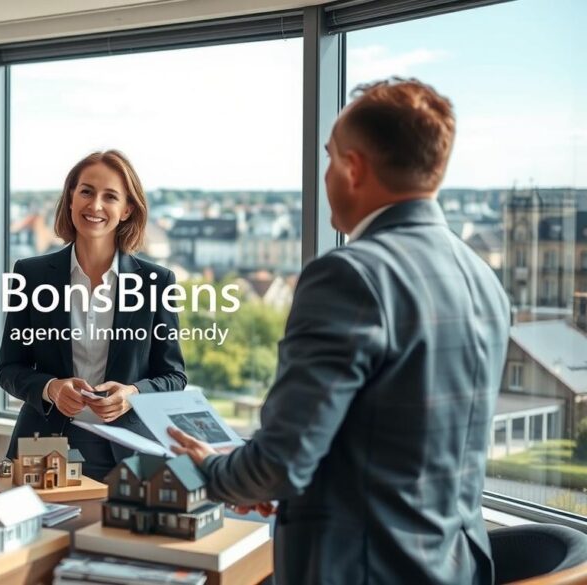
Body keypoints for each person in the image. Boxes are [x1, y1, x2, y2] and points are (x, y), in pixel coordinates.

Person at [169, 78, 510, 584]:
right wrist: (263, 470)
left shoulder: (351, 275)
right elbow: (389, 448)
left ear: (354, 168)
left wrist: (218, 471)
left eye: (330, 158)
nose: (325, 173)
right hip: (452, 569)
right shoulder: (482, 277)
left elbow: (284, 464)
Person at [0, 150, 187, 480]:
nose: (95, 205)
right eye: (86, 191)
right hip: (43, 447)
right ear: (70, 198)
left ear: (127, 209)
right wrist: (51, 387)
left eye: (110, 196)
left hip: (127, 451)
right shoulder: (30, 275)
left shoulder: (157, 283)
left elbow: (173, 377)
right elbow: (9, 368)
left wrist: (133, 395)